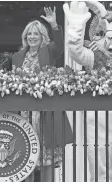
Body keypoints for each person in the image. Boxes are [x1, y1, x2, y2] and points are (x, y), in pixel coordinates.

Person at [12, 7, 73, 181]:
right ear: (25, 37)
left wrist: (54, 24)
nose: (32, 37)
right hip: (24, 113)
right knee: (25, 157)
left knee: (47, 159)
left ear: (42, 37)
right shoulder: (17, 56)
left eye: (36, 34)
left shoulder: (49, 51)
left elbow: (61, 45)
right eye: (29, 34)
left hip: (45, 113)